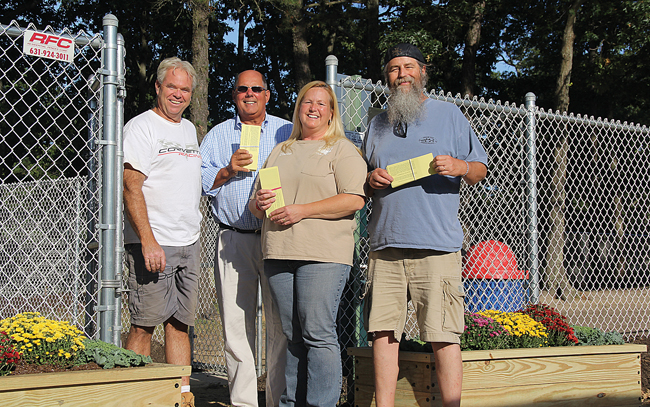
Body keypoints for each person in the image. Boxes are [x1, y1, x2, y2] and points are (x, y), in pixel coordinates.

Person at [362, 43, 488, 407]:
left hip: (437, 245)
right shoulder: (377, 123)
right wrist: (371, 181)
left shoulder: (449, 115)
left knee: (444, 333)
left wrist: (460, 167)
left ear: (423, 72)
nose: (402, 74)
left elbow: (479, 168)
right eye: (394, 68)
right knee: (383, 333)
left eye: (409, 67)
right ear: (386, 77)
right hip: (385, 246)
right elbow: (364, 180)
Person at [249, 81, 367, 407]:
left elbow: (354, 199)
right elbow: (254, 208)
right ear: (298, 109)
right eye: (306, 102)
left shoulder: (342, 149)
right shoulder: (280, 150)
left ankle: (321, 403)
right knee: (292, 336)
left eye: (321, 103)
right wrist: (259, 202)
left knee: (318, 333)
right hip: (278, 252)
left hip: (323, 254)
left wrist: (302, 211)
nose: (312, 108)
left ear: (331, 113)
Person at [200, 70, 291, 407]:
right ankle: (244, 402)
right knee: (236, 327)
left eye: (257, 88)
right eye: (242, 89)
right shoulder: (218, 134)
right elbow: (199, 180)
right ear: (234, 95)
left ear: (267, 95)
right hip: (233, 239)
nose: (249, 93)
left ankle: (277, 400)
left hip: (277, 237)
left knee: (279, 326)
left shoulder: (286, 130)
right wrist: (227, 170)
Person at [123, 57, 202, 407]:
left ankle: (181, 396)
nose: (178, 94)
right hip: (154, 243)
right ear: (157, 87)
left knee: (180, 324)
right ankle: (135, 396)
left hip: (189, 242)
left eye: (185, 89)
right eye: (172, 86)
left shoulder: (188, 130)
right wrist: (148, 240)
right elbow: (131, 185)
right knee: (144, 323)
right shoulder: (141, 127)